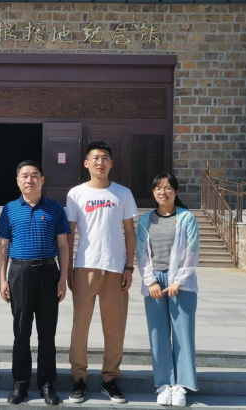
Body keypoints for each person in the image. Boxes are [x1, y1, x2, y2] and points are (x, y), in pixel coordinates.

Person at [65, 141, 138, 404]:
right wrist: (68, 269)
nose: (100, 162)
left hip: (115, 268)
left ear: (111, 163)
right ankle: (79, 379)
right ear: (86, 163)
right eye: (95, 158)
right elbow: (69, 233)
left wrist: (129, 267)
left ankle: (110, 379)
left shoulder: (122, 193)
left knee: (115, 328)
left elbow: (129, 232)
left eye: (105, 158)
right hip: (85, 267)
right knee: (80, 327)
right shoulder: (76, 194)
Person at [0, 160, 70, 406]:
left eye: (35, 175)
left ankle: (47, 385)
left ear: (42, 180)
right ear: (18, 181)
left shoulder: (56, 208)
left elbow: (63, 245)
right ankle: (20, 384)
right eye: (25, 175)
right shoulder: (9, 209)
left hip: (48, 272)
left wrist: (62, 278)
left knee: (47, 333)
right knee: (21, 332)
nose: (30, 179)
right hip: (20, 273)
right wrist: (2, 280)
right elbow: (3, 246)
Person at [136, 173, 199, 407]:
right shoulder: (145, 220)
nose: (163, 192)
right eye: (158, 188)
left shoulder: (186, 218)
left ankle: (181, 385)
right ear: (153, 193)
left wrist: (178, 281)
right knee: (158, 334)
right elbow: (141, 253)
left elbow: (192, 251)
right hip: (154, 283)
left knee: (183, 334)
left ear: (176, 192)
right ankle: (164, 384)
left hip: (182, 283)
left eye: (168, 188)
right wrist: (150, 281)